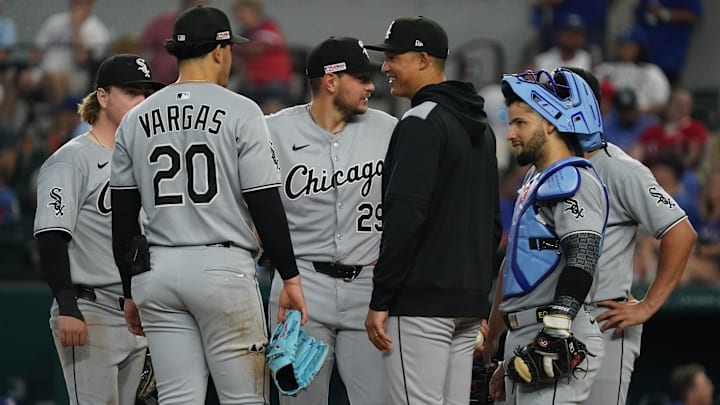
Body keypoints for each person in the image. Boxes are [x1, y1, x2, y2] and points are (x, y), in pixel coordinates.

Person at [109, 6, 308, 404]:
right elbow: (265, 202)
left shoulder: (135, 119)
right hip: (222, 271)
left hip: (157, 273)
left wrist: (130, 289)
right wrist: (290, 276)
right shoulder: (241, 110)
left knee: (179, 398)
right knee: (244, 399)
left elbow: (123, 219)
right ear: (219, 50)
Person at [364, 16, 502, 404]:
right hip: (466, 301)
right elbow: (492, 224)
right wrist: (476, 290)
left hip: (422, 303)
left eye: (394, 57)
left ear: (424, 59)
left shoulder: (420, 122)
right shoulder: (481, 126)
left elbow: (405, 216)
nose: (385, 67)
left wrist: (381, 298)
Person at [265, 36, 397, 405]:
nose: (372, 85)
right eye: (361, 77)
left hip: (369, 286)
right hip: (301, 282)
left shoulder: (388, 128)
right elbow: (251, 205)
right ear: (331, 80)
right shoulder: (273, 131)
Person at [32, 53, 164, 404]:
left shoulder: (146, 158)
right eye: (132, 92)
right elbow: (51, 236)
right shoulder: (71, 159)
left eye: (146, 93)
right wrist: (67, 306)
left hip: (138, 310)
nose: (142, 101)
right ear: (102, 97)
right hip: (91, 309)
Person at [563, 67, 697, 405]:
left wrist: (649, 304)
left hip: (602, 318)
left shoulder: (621, 167)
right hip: (551, 318)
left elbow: (681, 232)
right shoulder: (545, 169)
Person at [482, 67, 608, 404]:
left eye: (520, 123)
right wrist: (499, 344)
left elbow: (583, 255)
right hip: (527, 336)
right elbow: (513, 265)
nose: (510, 134)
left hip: (555, 334)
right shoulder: (535, 181)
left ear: (551, 122)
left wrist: (554, 331)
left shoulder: (572, 179)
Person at [231, 0, 293, 114]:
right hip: (251, 84)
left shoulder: (269, 27)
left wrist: (233, 47)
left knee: (271, 108)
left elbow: (257, 49)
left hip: (273, 83)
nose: (241, 19)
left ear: (255, 12)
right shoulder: (243, 33)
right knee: (234, 103)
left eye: (243, 13)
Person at [141, 0, 206, 85]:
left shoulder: (205, 28)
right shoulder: (163, 22)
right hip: (161, 83)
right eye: (194, 3)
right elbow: (141, 46)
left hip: (193, 82)